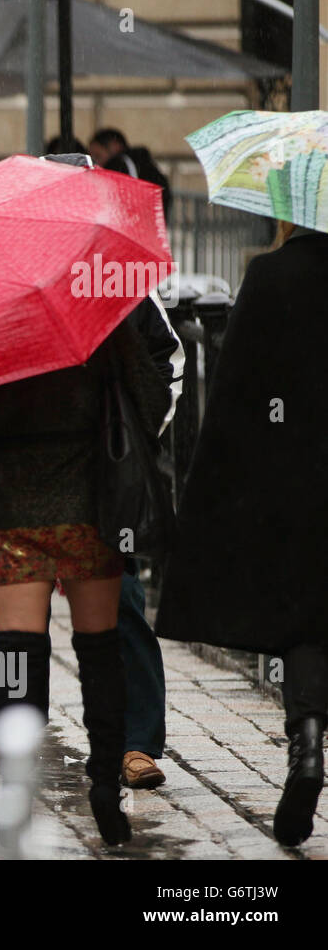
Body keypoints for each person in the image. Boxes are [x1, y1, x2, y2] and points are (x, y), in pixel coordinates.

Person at [0, 316, 171, 847]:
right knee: (99, 647)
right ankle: (103, 785)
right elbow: (149, 400)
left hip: (11, 501)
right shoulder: (104, 305)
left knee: (18, 642)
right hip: (89, 499)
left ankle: (15, 781)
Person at [155, 220, 328, 846]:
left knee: (307, 620)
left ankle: (307, 743)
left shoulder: (270, 275)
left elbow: (239, 390)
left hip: (294, 480)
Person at [89, 128, 172, 224]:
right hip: (148, 227)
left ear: (115, 146)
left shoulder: (118, 166)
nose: (95, 164)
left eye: (98, 156)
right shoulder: (146, 166)